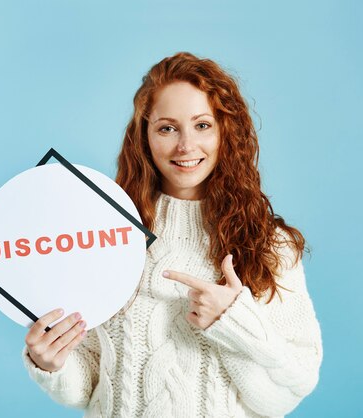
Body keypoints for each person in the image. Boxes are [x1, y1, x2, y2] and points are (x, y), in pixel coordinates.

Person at [21, 51, 323, 417]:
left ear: (226, 131)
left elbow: (289, 391)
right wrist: (52, 362)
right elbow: (87, 385)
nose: (185, 146)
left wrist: (233, 320)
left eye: (202, 125)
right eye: (167, 128)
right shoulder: (104, 231)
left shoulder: (270, 244)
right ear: (144, 136)